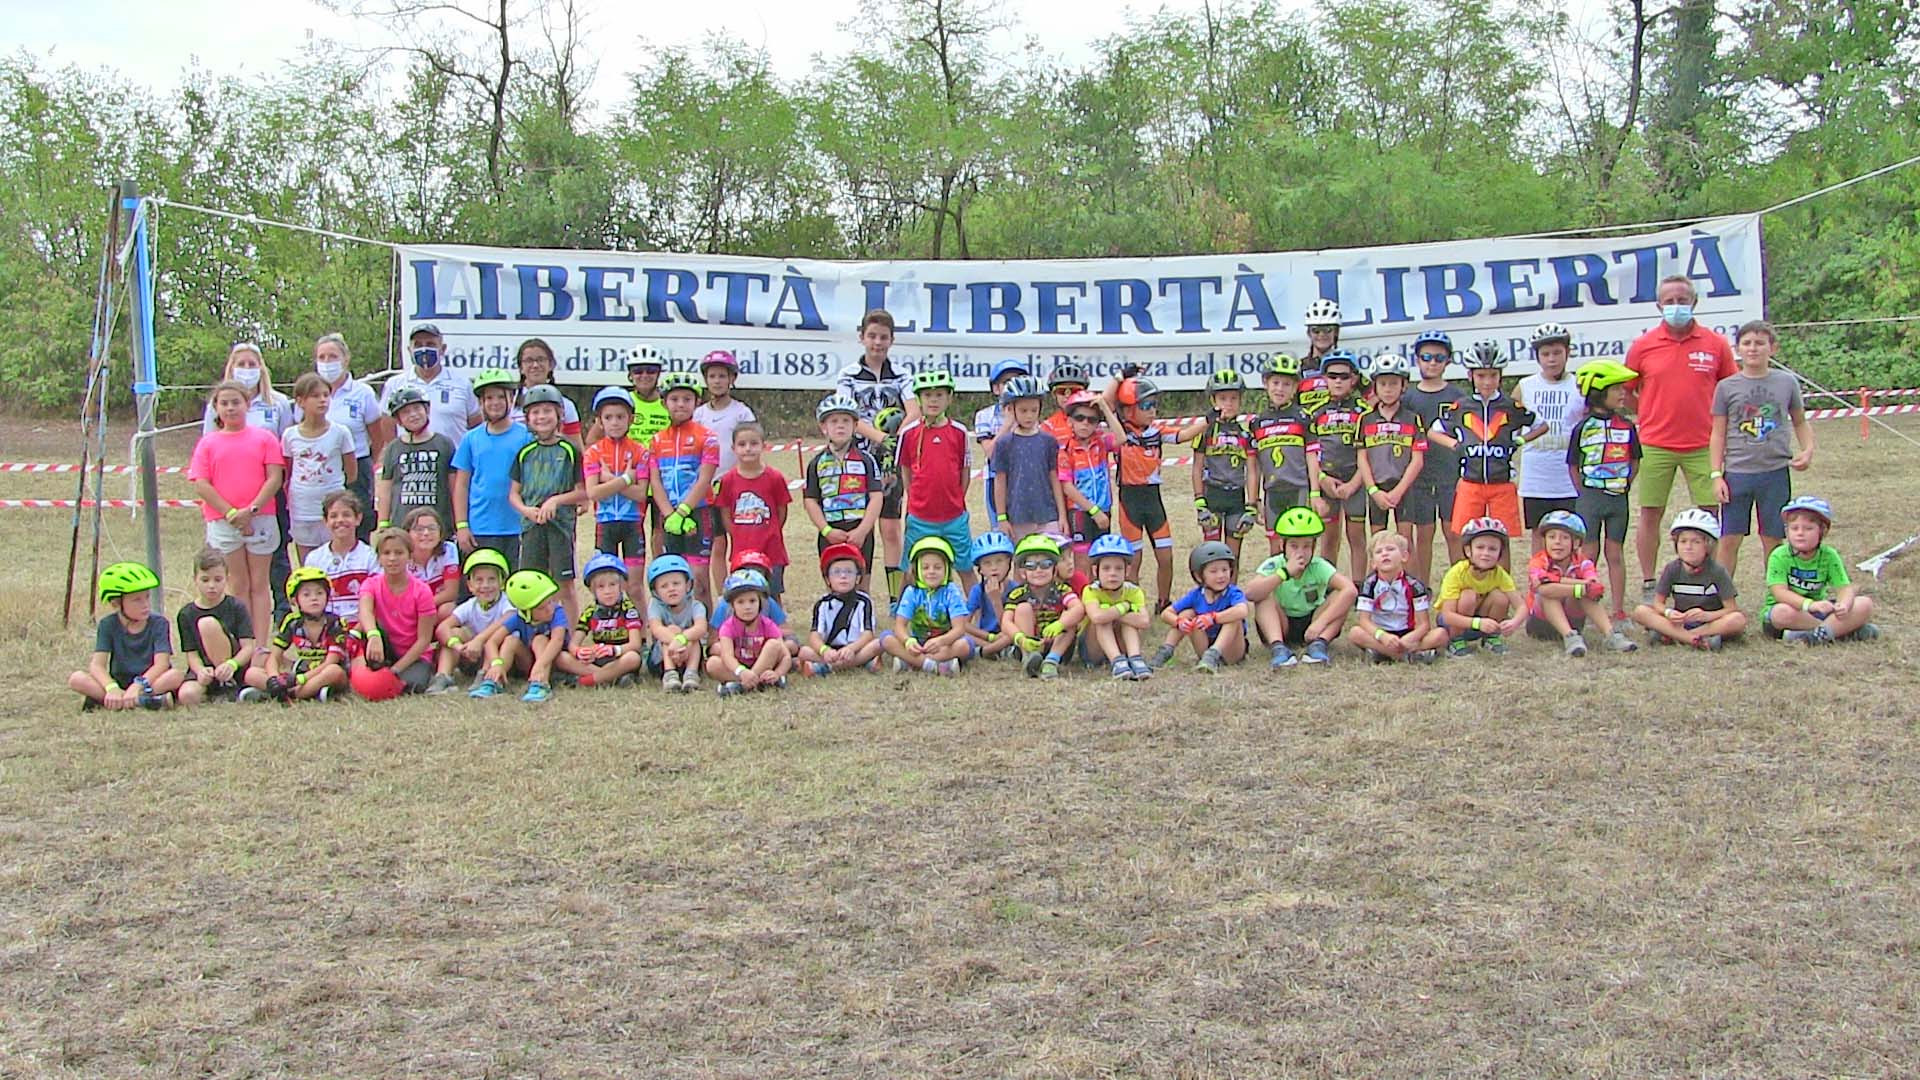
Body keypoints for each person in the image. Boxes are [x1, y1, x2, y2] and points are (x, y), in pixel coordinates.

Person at [1626, 275, 1738, 602]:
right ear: (1659, 305)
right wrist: (1648, 412)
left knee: (1709, 514)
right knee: (1650, 513)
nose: (1676, 306)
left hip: (1703, 444)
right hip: (1655, 443)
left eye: (1682, 300)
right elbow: (1628, 392)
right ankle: (1650, 583)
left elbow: (1729, 390)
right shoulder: (1643, 345)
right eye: (1670, 301)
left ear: (1694, 303)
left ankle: (1711, 581)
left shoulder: (1715, 343)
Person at [1710, 319, 1813, 576]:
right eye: (1747, 343)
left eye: (1759, 343)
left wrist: (1807, 449)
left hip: (1775, 472)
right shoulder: (1726, 387)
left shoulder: (1786, 382)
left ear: (1772, 348)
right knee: (1730, 538)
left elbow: (1799, 421)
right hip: (1737, 473)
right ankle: (1722, 597)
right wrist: (1716, 474)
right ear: (1738, 349)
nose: (1753, 349)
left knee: (1773, 539)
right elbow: (1718, 433)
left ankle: (1775, 598)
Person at [1426, 341, 1540, 571]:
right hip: (1471, 482)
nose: (1487, 381)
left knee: (1502, 539)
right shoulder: (1462, 405)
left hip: (1502, 483)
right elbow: (1433, 431)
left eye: (1492, 375)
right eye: (1481, 376)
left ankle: (1503, 589)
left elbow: (1540, 425)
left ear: (1500, 376)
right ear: (1470, 375)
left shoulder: (1510, 405)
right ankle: (1465, 586)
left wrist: (1520, 440)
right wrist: (1455, 444)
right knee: (1465, 537)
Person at [190, 378, 287, 647]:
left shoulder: (265, 438)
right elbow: (201, 483)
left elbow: (274, 477)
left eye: (236, 402)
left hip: (262, 518)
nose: (231, 408)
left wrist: (251, 509)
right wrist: (231, 513)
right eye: (224, 403)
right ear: (216, 409)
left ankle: (261, 646)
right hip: (223, 522)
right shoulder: (208, 443)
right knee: (238, 584)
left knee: (259, 584)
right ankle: (243, 644)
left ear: (247, 405)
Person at [200, 343, 296, 605]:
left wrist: (263, 499)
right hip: (228, 500)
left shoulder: (277, 403)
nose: (246, 369)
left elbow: (286, 446)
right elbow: (208, 450)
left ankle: (282, 610)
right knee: (237, 576)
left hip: (268, 492)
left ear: (262, 368)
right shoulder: (215, 406)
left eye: (252, 364)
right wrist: (231, 510)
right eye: (240, 364)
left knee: (275, 558)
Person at [835, 310, 918, 596]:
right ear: (861, 337)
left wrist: (895, 440)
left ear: (892, 341)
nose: (877, 343)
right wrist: (880, 437)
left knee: (892, 529)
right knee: (861, 530)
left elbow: (914, 410)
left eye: (883, 337)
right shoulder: (848, 375)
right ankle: (863, 596)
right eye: (872, 336)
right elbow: (847, 415)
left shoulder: (902, 375)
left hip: (889, 463)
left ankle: (896, 597)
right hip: (857, 460)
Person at [1565, 361, 1642, 626]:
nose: (1623, 393)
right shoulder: (1582, 428)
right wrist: (1584, 492)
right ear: (1598, 392)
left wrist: (1623, 485)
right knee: (1588, 554)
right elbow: (1573, 464)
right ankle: (1584, 608)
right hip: (1590, 499)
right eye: (1616, 389)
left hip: (1617, 498)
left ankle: (1619, 610)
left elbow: (1635, 460)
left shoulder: (1627, 426)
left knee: (1615, 552)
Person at [69, 562, 198, 710]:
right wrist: (111, 687)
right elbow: (97, 665)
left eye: (147, 597)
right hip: (120, 682)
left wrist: (139, 685)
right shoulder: (107, 625)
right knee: (77, 679)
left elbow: (161, 664)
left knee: (175, 676)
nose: (145, 605)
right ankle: (142, 702)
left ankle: (124, 701)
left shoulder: (159, 623)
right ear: (116, 603)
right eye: (137, 600)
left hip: (150, 681)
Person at [1098, 375, 1178, 610]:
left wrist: (1210, 419)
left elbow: (1184, 435)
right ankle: (1133, 605)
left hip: (1154, 500)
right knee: (1134, 562)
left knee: (1166, 558)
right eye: (1145, 405)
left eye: (1154, 404)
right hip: (1129, 501)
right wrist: (1119, 377)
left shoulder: (1156, 431)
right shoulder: (1118, 430)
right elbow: (1103, 401)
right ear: (1128, 410)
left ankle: (1163, 602)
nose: (1152, 410)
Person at [896, 367, 976, 591]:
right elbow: (906, 472)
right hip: (921, 517)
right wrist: (916, 500)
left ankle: (980, 616)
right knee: (911, 567)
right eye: (927, 395)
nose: (933, 400)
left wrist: (956, 499)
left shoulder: (959, 432)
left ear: (949, 397)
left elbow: (964, 471)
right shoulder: (909, 433)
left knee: (965, 567)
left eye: (939, 394)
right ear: (919, 398)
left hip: (954, 516)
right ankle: (902, 616)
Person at [509, 383, 586, 616]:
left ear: (559, 414)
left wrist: (556, 501)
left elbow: (583, 492)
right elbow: (513, 493)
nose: (541, 417)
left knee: (564, 585)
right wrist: (526, 510)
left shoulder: (569, 450)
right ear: (527, 418)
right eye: (535, 412)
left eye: (547, 411)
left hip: (560, 526)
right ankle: (535, 634)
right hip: (532, 526)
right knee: (532, 582)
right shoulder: (525, 453)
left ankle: (571, 637)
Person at [1247, 507, 1357, 668]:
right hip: (1282, 622)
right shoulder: (1275, 564)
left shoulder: (1318, 566)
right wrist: (1284, 573)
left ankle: (1320, 645)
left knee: (1340, 596)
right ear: (1282, 545)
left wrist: (1320, 624)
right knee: (1263, 598)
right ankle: (1278, 648)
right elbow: (1251, 593)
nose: (1301, 552)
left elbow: (1351, 590)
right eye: (1294, 546)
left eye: (1307, 546)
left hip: (1313, 621)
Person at [650, 370, 722, 607]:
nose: (680, 404)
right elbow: (656, 481)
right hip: (669, 514)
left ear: (696, 402)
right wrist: (669, 514)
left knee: (699, 578)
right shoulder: (657, 440)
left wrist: (682, 511)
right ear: (664, 402)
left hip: (699, 512)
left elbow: (704, 479)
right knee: (673, 580)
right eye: (674, 399)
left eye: (687, 399)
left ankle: (710, 635)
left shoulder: (708, 437)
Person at [1765, 496, 1879, 645]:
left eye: (1808, 528)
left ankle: (1813, 636)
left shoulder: (1829, 555)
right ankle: (1840, 631)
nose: (1800, 533)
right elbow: (1779, 593)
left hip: (1819, 611)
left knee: (1865, 604)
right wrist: (1809, 605)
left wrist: (1844, 605)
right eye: (1794, 528)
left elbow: (1845, 588)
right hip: (1791, 613)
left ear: (1822, 531)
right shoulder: (1779, 555)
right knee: (1781, 613)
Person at [1524, 510, 1637, 656]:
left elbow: (1593, 585)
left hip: (1574, 620)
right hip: (1540, 624)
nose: (1557, 542)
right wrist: (1580, 588)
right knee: (1549, 593)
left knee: (1586, 592)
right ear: (1544, 541)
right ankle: (1569, 637)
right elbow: (1543, 588)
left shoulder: (1584, 562)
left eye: (1564, 538)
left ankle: (1611, 635)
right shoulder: (1538, 561)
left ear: (1576, 543)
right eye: (1552, 537)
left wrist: (1583, 588)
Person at [1630, 509, 1747, 649]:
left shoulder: (1717, 571)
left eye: (1696, 542)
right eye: (1683, 541)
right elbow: (1658, 603)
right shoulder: (1672, 569)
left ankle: (1675, 635)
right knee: (1641, 611)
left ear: (1708, 545)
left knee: (1737, 620)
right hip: (1680, 620)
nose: (1688, 547)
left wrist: (1707, 616)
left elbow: (1731, 608)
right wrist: (1669, 612)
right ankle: (1694, 640)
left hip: (1708, 623)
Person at [452, 368, 532, 566]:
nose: (494, 403)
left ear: (511, 399)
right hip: (481, 526)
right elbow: (461, 485)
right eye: (489, 398)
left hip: (517, 526)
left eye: (500, 397)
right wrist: (462, 525)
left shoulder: (526, 436)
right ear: (481, 402)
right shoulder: (471, 439)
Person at [307, 333, 384, 540]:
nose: (326, 362)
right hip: (319, 469)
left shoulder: (363, 393)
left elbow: (377, 436)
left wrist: (370, 463)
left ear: (345, 358)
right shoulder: (309, 393)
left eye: (332, 357)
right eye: (321, 357)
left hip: (356, 468)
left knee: (357, 527)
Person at [1514, 323, 1582, 555]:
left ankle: (1569, 583)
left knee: (1570, 533)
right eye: (1545, 354)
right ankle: (1539, 584)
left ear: (1567, 352)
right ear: (1537, 356)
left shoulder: (1579, 385)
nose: (1551, 359)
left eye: (1557, 353)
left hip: (1567, 476)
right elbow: (1507, 422)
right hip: (1536, 477)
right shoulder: (1525, 386)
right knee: (1539, 533)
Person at [804, 394, 883, 595]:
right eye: (834, 421)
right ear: (824, 427)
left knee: (861, 580)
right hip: (831, 530)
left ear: (856, 426)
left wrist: (863, 530)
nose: (840, 426)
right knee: (834, 580)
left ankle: (863, 620)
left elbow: (876, 496)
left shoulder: (866, 460)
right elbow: (811, 500)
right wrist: (826, 530)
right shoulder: (816, 463)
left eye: (846, 421)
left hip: (859, 529)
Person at [1404, 330, 1466, 584]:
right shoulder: (1407, 397)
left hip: (1450, 475)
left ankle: (1459, 584)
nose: (1432, 363)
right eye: (1426, 356)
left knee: (1454, 533)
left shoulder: (1458, 396)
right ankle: (1422, 586)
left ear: (1448, 361)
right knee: (1424, 534)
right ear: (1417, 359)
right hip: (1419, 476)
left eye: (1439, 358)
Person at [350, 526, 440, 700]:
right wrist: (374, 635)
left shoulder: (422, 591)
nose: (392, 559)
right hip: (383, 646)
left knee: (413, 685)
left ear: (409, 556)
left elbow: (424, 640)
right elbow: (365, 611)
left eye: (399, 553)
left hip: (413, 654)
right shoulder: (371, 584)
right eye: (386, 553)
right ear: (379, 558)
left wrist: (396, 669)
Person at [1250, 353, 1323, 558]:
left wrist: (1315, 493)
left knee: (1301, 548)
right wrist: (1254, 500)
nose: (1280, 389)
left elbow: (1312, 457)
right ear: (1266, 383)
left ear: (1295, 387)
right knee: (1275, 550)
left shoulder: (1303, 417)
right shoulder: (1257, 422)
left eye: (1286, 384)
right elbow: (1254, 466)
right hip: (1272, 491)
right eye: (1275, 383)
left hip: (1299, 489)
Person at [239, 567, 349, 703]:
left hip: (322, 672)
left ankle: (287, 695)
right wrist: (274, 678)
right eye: (306, 595)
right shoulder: (292, 622)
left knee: (334, 671)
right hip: (301, 671)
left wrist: (300, 680)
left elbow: (331, 661)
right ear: (295, 601)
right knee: (252, 673)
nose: (314, 598)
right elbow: (274, 656)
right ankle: (292, 691)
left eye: (319, 593)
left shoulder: (336, 623)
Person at [1308, 350, 1372, 579]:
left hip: (1356, 479)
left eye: (1344, 376)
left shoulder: (1365, 412)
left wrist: (1355, 484)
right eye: (1332, 375)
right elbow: (1310, 452)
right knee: (1329, 536)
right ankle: (1329, 583)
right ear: (1324, 379)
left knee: (1356, 535)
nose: (1338, 381)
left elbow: (1370, 452)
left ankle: (1359, 585)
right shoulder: (1314, 413)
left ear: (1354, 379)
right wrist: (1322, 480)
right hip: (1327, 481)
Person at [282, 372, 358, 562]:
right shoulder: (290, 435)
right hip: (302, 508)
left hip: (333, 506)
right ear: (300, 401)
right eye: (315, 396)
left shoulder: (340, 433)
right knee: (308, 563)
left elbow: (351, 471)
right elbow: (288, 471)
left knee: (336, 557)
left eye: (326, 395)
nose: (322, 400)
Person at [582, 386, 650, 596]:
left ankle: (643, 627)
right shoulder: (594, 452)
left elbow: (641, 494)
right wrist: (627, 479)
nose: (615, 422)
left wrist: (611, 480)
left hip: (633, 524)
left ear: (630, 419)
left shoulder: (641, 451)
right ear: (599, 422)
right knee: (605, 586)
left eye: (620, 417)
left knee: (635, 587)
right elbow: (593, 493)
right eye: (608, 417)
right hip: (605, 524)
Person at [1355, 352, 1427, 546]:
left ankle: (1410, 578)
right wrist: (1372, 490)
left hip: (1403, 488)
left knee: (1405, 542)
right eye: (1383, 383)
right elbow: (1362, 458)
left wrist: (1399, 490)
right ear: (1375, 386)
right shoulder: (1365, 419)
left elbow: (1418, 459)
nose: (1388, 389)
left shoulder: (1412, 418)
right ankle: (1375, 578)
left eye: (1394, 383)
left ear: (1403, 386)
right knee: (1377, 543)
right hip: (1376, 487)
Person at [712, 422, 792, 597]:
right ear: (733, 448)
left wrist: (772, 530)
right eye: (742, 444)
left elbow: (781, 510)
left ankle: (775, 625)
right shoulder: (727, 480)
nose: (748, 449)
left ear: (764, 446)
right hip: (742, 550)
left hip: (771, 549)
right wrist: (736, 533)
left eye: (754, 444)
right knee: (743, 594)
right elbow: (725, 512)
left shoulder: (775, 477)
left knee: (772, 595)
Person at [1187, 369, 1258, 564]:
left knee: (1232, 558)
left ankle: (1231, 595)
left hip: (1236, 497)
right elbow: (1197, 468)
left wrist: (1252, 506)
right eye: (1223, 398)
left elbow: (1252, 471)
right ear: (1213, 401)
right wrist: (1199, 502)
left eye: (1234, 398)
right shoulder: (1205, 432)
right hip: (1213, 495)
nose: (1228, 403)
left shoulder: (1245, 435)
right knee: (1211, 557)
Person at [1348, 531, 1447, 664]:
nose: (1385, 554)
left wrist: (1410, 639)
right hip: (1381, 633)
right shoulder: (1368, 585)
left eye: (1390, 549)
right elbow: (1364, 621)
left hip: (1408, 634)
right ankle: (1406, 655)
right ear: (1373, 563)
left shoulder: (1415, 585)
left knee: (1440, 634)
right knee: (1355, 633)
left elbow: (1424, 624)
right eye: (1379, 552)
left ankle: (1383, 653)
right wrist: (1382, 636)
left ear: (1404, 556)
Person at [1149, 540, 1248, 673]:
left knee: (1233, 617)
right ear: (1199, 576)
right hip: (1204, 648)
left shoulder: (1233, 592)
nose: (1221, 576)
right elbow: (1166, 613)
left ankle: (1214, 653)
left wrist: (1214, 618)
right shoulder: (1196, 595)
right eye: (1213, 571)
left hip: (1232, 650)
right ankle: (1166, 651)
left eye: (1225, 570)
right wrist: (1179, 622)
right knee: (1186, 614)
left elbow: (1242, 610)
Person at [470, 569, 569, 702]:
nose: (549, 609)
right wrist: (496, 663)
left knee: (539, 639)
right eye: (541, 608)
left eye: (550, 601)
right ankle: (495, 681)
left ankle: (542, 684)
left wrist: (540, 665)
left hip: (551, 661)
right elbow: (491, 642)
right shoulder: (518, 618)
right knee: (510, 640)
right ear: (526, 612)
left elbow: (557, 640)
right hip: (528, 662)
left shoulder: (557, 612)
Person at [882, 537, 974, 675]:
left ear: (947, 569)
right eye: (925, 567)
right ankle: (935, 665)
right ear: (917, 569)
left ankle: (911, 662)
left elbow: (959, 629)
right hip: (918, 643)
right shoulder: (912, 592)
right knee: (886, 638)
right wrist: (908, 642)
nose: (931, 571)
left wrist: (941, 641)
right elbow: (899, 626)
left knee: (965, 645)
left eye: (937, 567)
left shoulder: (951, 591)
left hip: (944, 644)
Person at [990, 375, 1067, 540]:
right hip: (1017, 516)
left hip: (1047, 514)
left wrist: (1062, 515)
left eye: (1034, 410)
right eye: (1023, 411)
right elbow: (1000, 481)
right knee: (1022, 562)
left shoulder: (1049, 441)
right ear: (1012, 410)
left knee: (1052, 560)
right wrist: (1002, 517)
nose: (1029, 416)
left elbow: (1054, 478)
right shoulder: (1004, 443)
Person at [427, 548, 513, 694]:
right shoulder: (470, 605)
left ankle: (487, 677)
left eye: (491, 579)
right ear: (470, 586)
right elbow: (443, 628)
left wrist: (479, 640)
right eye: (479, 580)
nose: (485, 585)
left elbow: (509, 618)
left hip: (497, 657)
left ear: (502, 582)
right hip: (472, 656)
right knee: (455, 632)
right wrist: (459, 647)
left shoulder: (506, 603)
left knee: (502, 637)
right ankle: (443, 676)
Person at [1436, 518, 1525, 656]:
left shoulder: (1499, 574)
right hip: (1454, 622)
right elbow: (1447, 616)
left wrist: (1514, 622)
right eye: (1480, 547)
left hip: (1482, 623)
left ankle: (1491, 638)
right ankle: (1456, 640)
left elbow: (1522, 606)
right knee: (1468, 596)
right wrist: (1477, 623)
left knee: (1500, 597)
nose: (1486, 553)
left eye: (1492, 549)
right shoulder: (1457, 573)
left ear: (1500, 553)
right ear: (1468, 550)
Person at [175, 547, 254, 702]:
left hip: (234, 667)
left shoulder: (236, 606)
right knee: (187, 695)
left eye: (218, 580)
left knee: (207, 624)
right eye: (205, 580)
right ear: (195, 580)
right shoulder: (186, 614)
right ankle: (214, 690)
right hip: (206, 669)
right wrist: (200, 671)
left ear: (227, 579)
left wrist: (232, 664)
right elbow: (191, 653)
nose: (211, 585)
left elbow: (248, 647)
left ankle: (228, 685)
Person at [555, 553, 643, 688]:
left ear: (622, 586)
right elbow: (573, 644)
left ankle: (588, 680)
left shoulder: (628, 610)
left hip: (619, 657)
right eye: (601, 587)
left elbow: (635, 644)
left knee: (633, 658)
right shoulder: (590, 612)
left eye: (612, 585)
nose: (607, 591)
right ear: (592, 590)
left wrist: (614, 650)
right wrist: (580, 652)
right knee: (561, 657)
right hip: (597, 660)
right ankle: (611, 678)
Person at [376, 385, 456, 534]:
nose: (413, 415)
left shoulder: (444, 444)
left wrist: (459, 523)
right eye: (406, 412)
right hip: (402, 525)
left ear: (427, 410)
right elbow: (386, 489)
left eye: (417, 409)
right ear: (398, 420)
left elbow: (454, 487)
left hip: (438, 524)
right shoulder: (394, 448)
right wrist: (383, 523)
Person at [381, 323, 479, 443]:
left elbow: (476, 426)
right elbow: (387, 427)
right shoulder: (394, 385)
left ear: (442, 349)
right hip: (411, 459)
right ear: (409, 350)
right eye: (418, 345)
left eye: (430, 344)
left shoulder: (463, 384)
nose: (424, 349)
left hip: (453, 459)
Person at [1005, 533, 1084, 680]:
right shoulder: (1017, 593)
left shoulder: (1062, 590)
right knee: (1022, 609)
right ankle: (1028, 656)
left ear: (1054, 569)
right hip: (1029, 643)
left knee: (1069, 618)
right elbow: (1006, 621)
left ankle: (1051, 661)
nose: (1038, 570)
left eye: (1045, 564)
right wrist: (1020, 638)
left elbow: (1078, 608)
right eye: (1031, 566)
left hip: (1058, 643)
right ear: (1023, 573)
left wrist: (1060, 624)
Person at [800, 543, 884, 676]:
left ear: (858, 578)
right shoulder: (822, 604)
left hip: (857, 648)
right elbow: (815, 635)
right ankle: (861, 663)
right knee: (804, 651)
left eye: (849, 571)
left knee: (878, 644)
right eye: (836, 572)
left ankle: (825, 668)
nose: (843, 576)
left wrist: (851, 648)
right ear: (827, 579)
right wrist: (824, 650)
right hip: (831, 651)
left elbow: (868, 634)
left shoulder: (864, 602)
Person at [1079, 534, 1153, 680]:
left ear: (1127, 571)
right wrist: (1124, 607)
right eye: (1106, 568)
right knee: (1104, 620)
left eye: (1118, 568)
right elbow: (1097, 616)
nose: (1112, 573)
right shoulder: (1091, 590)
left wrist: (1117, 613)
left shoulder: (1133, 591)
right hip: (1094, 649)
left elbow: (1144, 621)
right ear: (1096, 571)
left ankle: (1135, 658)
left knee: (1127, 621)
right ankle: (1116, 661)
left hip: (1122, 644)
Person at [710, 570, 793, 696]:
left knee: (774, 645)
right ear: (732, 605)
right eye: (741, 602)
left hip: (763, 664)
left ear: (761, 603)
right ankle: (756, 683)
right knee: (712, 664)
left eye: (752, 601)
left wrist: (778, 673)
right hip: (738, 668)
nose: (747, 607)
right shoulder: (727, 627)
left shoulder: (768, 625)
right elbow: (727, 656)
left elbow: (785, 656)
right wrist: (742, 672)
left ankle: (742, 686)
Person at [1057, 390, 1118, 559]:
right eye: (1080, 418)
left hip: (1104, 509)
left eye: (1092, 420)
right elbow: (1067, 488)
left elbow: (1121, 438)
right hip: (1080, 512)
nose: (1085, 423)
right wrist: (1093, 511)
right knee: (1083, 564)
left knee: (1101, 560)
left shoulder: (1101, 443)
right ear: (1070, 421)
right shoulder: (1066, 450)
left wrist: (1105, 409)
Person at [643, 555, 708, 693]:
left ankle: (691, 673)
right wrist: (675, 641)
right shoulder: (655, 606)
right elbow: (656, 629)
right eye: (664, 586)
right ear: (655, 591)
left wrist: (681, 640)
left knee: (693, 636)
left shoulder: (696, 606)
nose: (671, 589)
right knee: (670, 629)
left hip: (689, 654)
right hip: (660, 659)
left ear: (688, 585)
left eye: (676, 583)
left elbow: (701, 628)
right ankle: (670, 674)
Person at [975, 358, 1029, 524]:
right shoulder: (984, 415)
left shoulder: (1030, 413)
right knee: (1001, 529)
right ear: (996, 388)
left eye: (1018, 380)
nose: (1013, 385)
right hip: (995, 480)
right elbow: (991, 452)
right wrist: (1008, 423)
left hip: (1025, 479)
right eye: (1007, 382)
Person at [507, 338, 582, 441]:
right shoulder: (510, 403)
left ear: (551, 365)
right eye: (529, 360)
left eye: (540, 359)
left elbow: (577, 448)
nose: (535, 365)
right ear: (521, 368)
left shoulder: (566, 405)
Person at [695, 349, 757, 475]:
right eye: (712, 376)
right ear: (706, 380)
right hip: (704, 484)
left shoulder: (743, 414)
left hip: (734, 482)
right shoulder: (698, 414)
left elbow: (753, 450)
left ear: (732, 379)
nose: (717, 381)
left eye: (722, 376)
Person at [964, 531, 1017, 661]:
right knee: (957, 632)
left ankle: (984, 652)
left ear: (1009, 563)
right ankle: (992, 649)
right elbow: (964, 623)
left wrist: (996, 600)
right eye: (987, 563)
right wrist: (989, 637)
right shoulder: (978, 590)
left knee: (1012, 635)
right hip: (985, 636)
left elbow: (1008, 626)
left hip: (1007, 634)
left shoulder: (1015, 589)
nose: (994, 568)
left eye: (999, 561)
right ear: (980, 569)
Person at [401, 507, 460, 616]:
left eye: (432, 528)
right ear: (407, 533)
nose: (426, 533)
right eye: (419, 529)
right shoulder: (400, 554)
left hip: (432, 606)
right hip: (407, 608)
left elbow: (451, 593)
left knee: (448, 609)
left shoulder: (449, 549)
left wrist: (423, 606)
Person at [1296, 298, 1344, 414]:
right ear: (1308, 333)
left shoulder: (1346, 364)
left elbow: (1372, 393)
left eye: (1327, 330)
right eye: (1316, 330)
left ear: (1336, 332)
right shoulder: (1299, 366)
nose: (1322, 335)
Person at [1040, 361, 1091, 442]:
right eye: (1061, 391)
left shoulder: (1093, 423)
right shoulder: (1047, 427)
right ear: (1054, 395)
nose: (1067, 395)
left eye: (1074, 390)